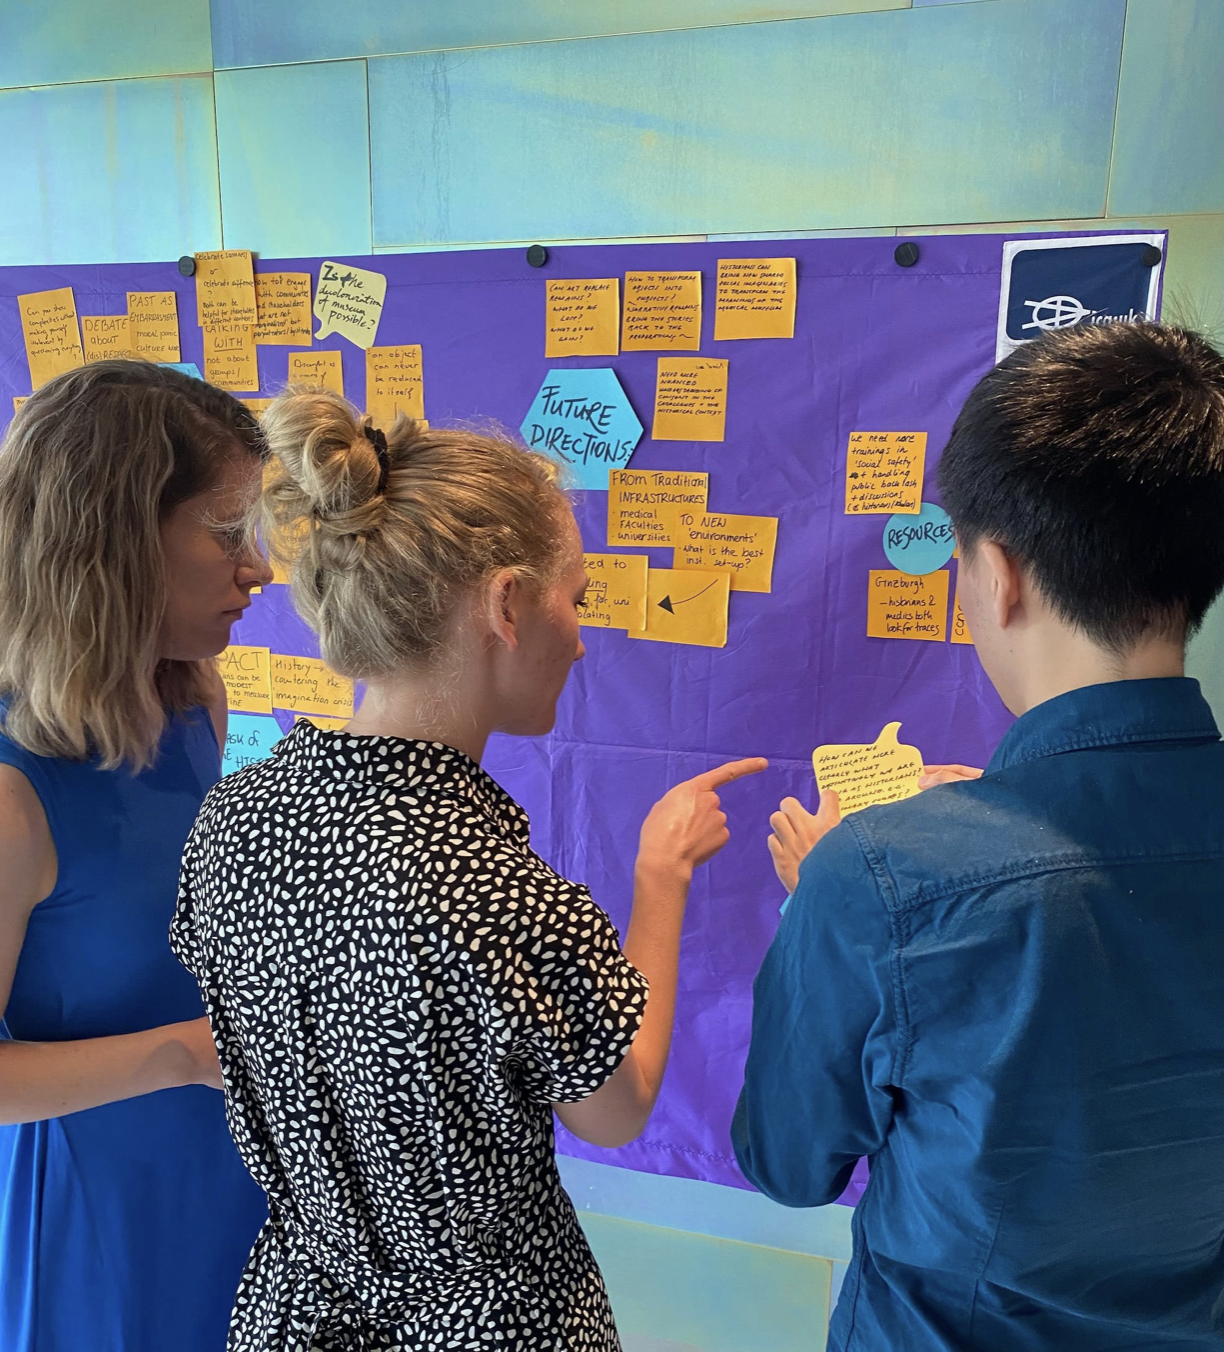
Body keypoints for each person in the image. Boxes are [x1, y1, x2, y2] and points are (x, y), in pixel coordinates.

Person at [171, 390, 765, 1351]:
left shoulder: (235, 816)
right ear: (505, 605)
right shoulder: (490, 886)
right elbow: (616, 1108)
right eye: (574, 597)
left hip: (294, 1307)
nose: (581, 634)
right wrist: (663, 875)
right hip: (487, 1323)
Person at [734, 321, 1224, 1352]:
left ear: (997, 572)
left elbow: (788, 1160)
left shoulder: (875, 877)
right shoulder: (905, 874)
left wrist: (830, 887)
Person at [0, 361, 271, 1352]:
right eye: (228, 532)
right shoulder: (13, 789)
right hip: (95, 1198)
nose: (261, 570)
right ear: (112, 539)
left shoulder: (195, 695)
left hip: (227, 1154)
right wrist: (192, 1052)